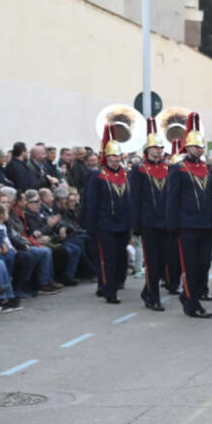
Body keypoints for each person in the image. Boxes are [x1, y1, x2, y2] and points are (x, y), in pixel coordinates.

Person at [166, 118, 212, 319]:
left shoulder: (208, 169)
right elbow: (172, 199)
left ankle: (189, 296)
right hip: (187, 225)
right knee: (191, 266)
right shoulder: (178, 169)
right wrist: (173, 225)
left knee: (204, 264)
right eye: (195, 146)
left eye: (201, 146)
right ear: (187, 147)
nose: (199, 149)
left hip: (206, 224)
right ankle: (192, 303)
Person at [85, 126, 132, 303]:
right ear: (106, 157)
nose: (115, 160)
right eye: (112, 156)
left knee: (121, 258)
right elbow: (92, 204)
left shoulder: (126, 175)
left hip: (123, 223)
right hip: (104, 224)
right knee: (108, 259)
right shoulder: (97, 177)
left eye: (118, 156)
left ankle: (115, 283)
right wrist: (91, 227)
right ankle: (108, 290)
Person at [129, 119, 172, 311]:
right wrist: (136, 223)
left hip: (166, 222)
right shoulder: (138, 170)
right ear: (147, 149)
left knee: (164, 261)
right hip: (148, 222)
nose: (158, 151)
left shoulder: (169, 169)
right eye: (155, 147)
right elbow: (134, 199)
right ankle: (153, 296)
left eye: (161, 148)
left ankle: (148, 290)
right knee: (152, 261)